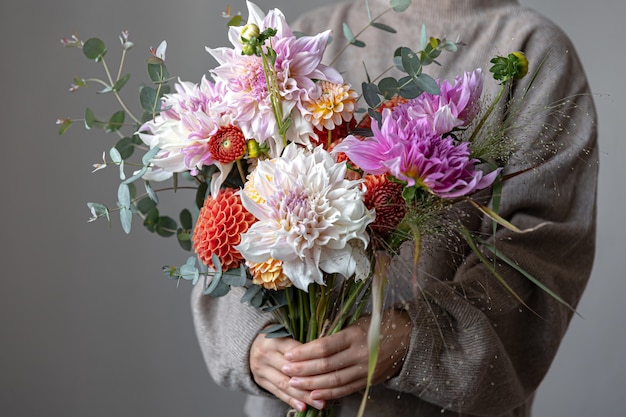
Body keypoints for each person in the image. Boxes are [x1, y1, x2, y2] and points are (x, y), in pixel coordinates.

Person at [191, 0, 598, 416]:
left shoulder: (532, 49)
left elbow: (542, 251)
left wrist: (413, 338)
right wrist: (255, 342)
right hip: (291, 402)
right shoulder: (301, 43)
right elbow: (231, 220)